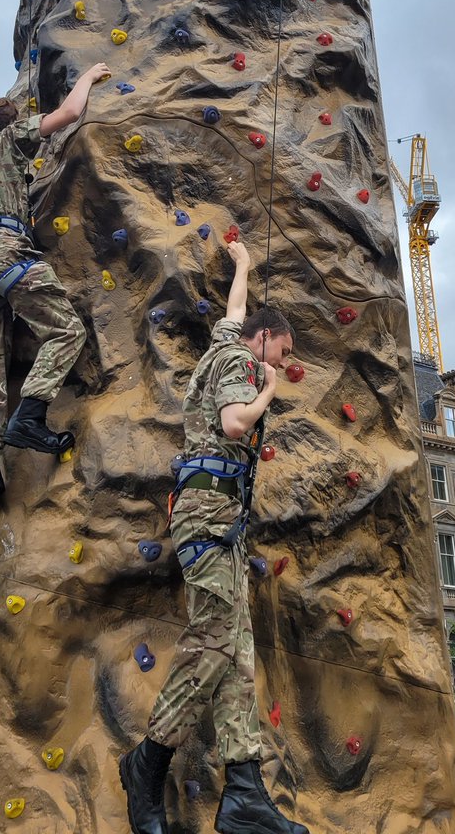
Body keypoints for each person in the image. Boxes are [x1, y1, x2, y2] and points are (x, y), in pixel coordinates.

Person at [120, 241, 307, 834]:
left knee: (238, 653)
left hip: (214, 514)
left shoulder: (229, 345)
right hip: (210, 511)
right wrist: (269, 390)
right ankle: (147, 761)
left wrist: (243, 266)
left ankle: (244, 791)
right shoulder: (246, 366)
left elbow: (233, 314)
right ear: (265, 339)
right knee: (215, 640)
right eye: (284, 347)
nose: (285, 358)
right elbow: (233, 422)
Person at [0, 62, 111, 512]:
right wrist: (90, 76)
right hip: (4, 250)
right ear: (10, 121)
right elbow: (69, 114)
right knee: (65, 330)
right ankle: (31, 417)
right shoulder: (10, 137)